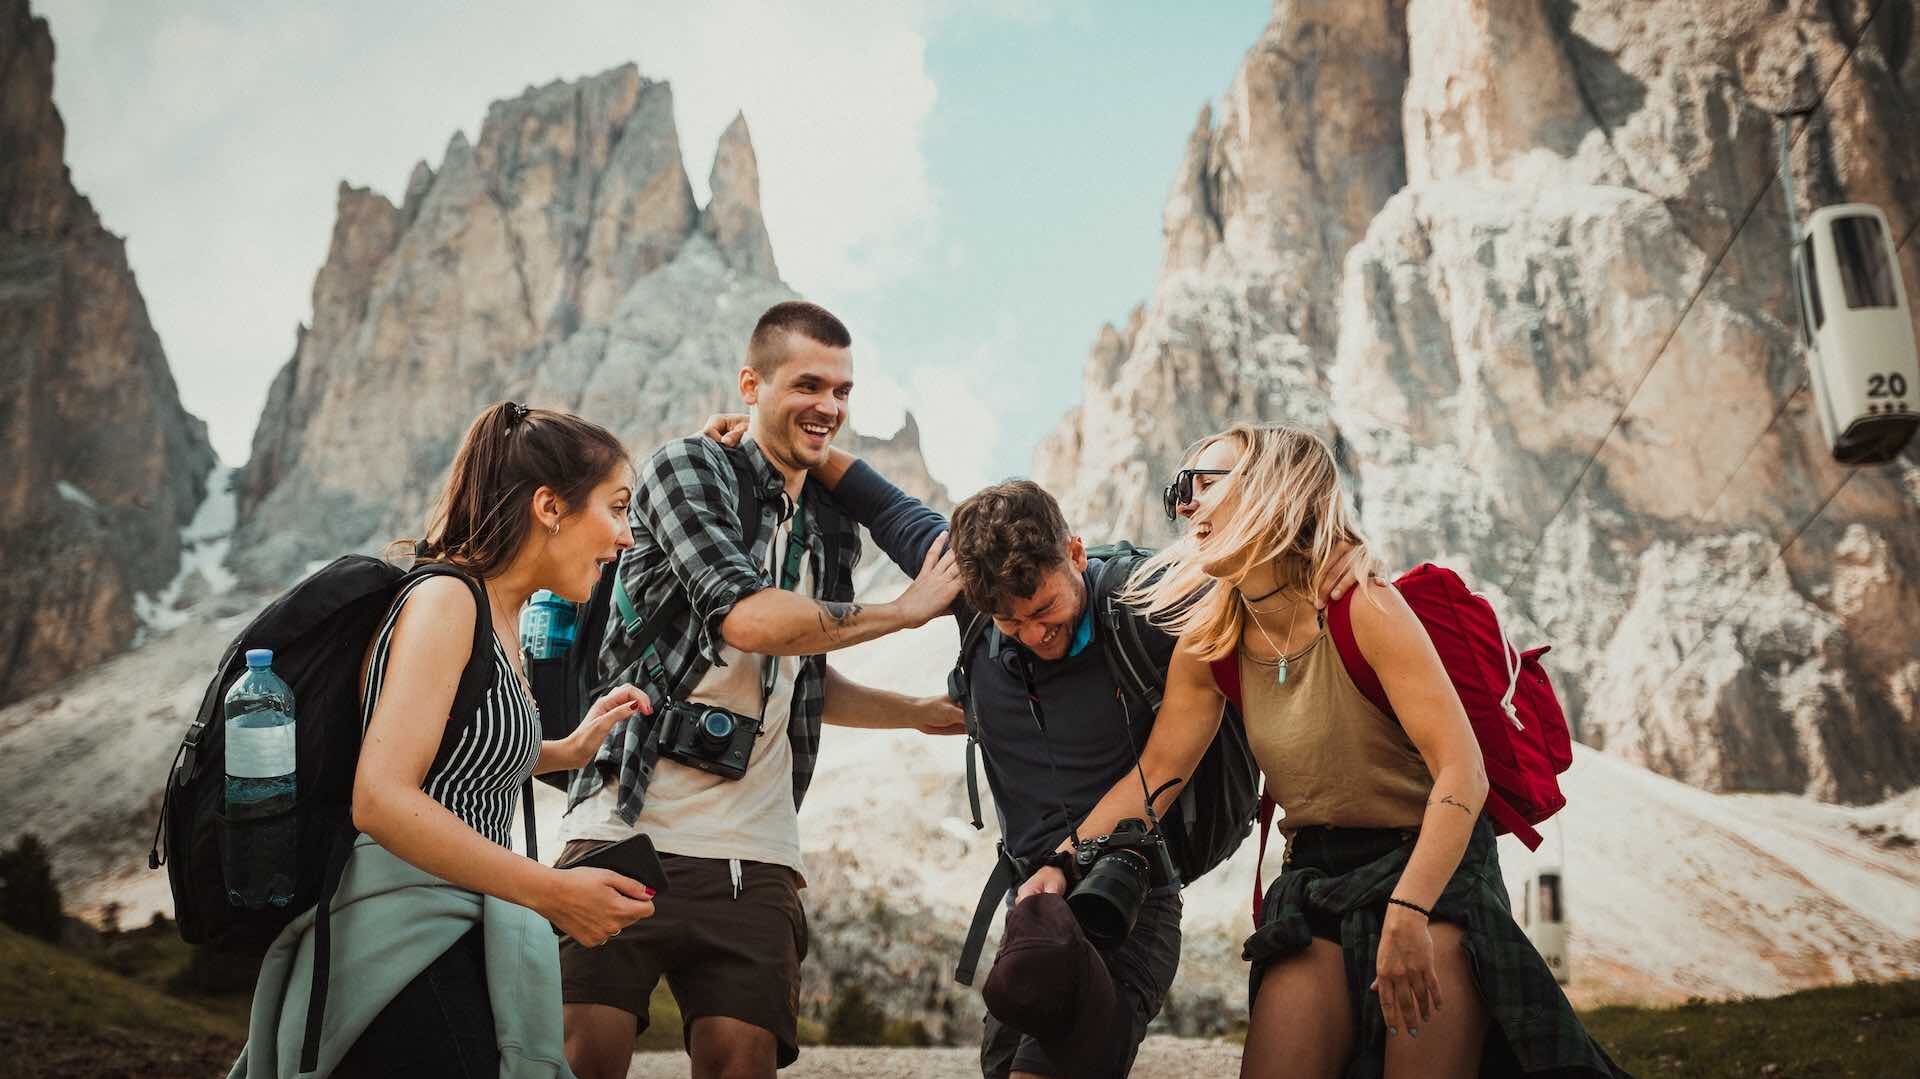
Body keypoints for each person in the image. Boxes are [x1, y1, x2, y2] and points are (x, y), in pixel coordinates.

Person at [687, 418, 1358, 1079]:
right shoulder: (972, 597)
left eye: (1045, 610)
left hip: (1127, 896)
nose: (1034, 632)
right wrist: (769, 432)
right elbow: (880, 502)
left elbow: (1265, 574)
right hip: (1034, 905)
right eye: (1011, 621)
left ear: (1073, 552)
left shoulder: (1147, 600)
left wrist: (1341, 556)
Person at [1074, 421, 1629, 1079]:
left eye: (1201, 484)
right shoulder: (1210, 641)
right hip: (1316, 875)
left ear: (1270, 487)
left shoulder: (1363, 606)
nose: (1183, 505)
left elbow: (1464, 772)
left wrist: (1412, 907)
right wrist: (1058, 862)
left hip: (1433, 864)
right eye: (1177, 491)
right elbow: (1157, 773)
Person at [558, 301, 966, 1079]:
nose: (830, 406)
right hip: (626, 820)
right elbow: (747, 619)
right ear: (751, 382)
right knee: (583, 1059)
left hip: (758, 851)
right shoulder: (688, 468)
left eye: (843, 391)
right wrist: (903, 613)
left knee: (743, 1063)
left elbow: (803, 670)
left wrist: (917, 715)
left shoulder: (831, 523)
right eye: (808, 384)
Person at [331, 401, 663, 1076]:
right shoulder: (448, 601)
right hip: (401, 944)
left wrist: (567, 747)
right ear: (550, 506)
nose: (626, 537)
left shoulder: (498, 615)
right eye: (617, 507)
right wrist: (552, 891)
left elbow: (449, 745)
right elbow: (380, 796)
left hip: (452, 928)